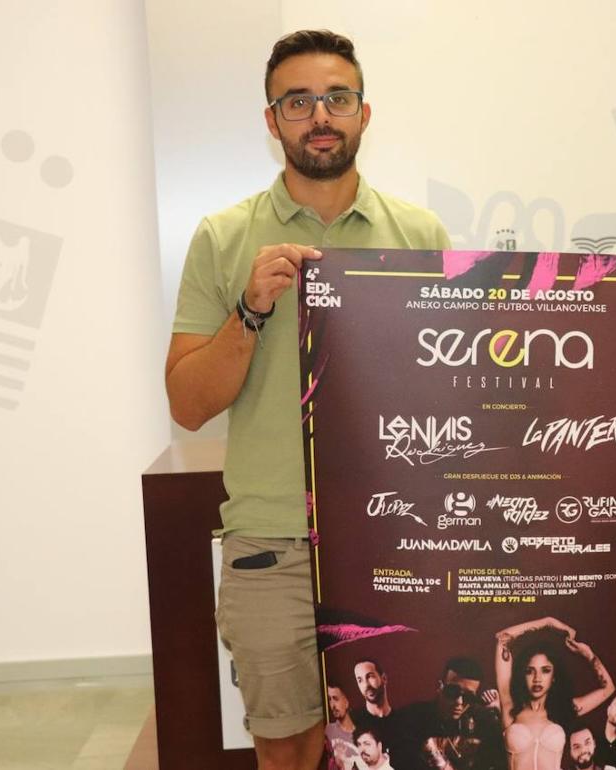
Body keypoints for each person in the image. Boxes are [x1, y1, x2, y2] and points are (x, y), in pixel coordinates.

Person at [165, 28, 450, 770]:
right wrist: (250, 310)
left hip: (396, 537)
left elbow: (449, 389)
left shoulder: (419, 234)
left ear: (363, 113)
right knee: (286, 747)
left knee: (401, 744)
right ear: (272, 121)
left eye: (337, 98)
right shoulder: (224, 237)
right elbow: (187, 405)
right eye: (297, 102)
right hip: (274, 543)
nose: (319, 116)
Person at [494, 617, 615, 770]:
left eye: (545, 671)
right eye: (530, 671)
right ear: (523, 675)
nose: (537, 678)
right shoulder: (511, 709)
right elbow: (502, 640)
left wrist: (588, 654)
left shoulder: (564, 709)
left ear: (554, 677)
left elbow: (608, 689)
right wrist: (548, 623)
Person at [390, 656, 506, 769]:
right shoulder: (412, 717)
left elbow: (500, 761)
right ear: (439, 686)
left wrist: (499, 714)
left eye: (468, 696)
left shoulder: (482, 722)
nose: (459, 702)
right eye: (453, 691)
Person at [326, 683, 359, 770]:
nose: (332, 705)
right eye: (329, 699)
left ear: (346, 702)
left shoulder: (362, 736)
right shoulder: (328, 731)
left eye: (335, 699)